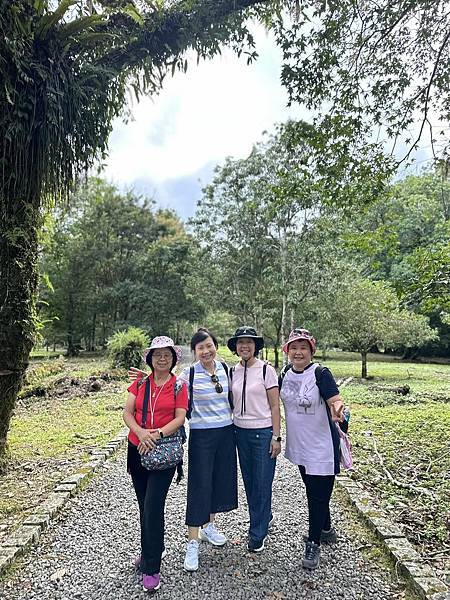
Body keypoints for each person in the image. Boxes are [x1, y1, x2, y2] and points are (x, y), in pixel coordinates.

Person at [123, 336, 188, 592]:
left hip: (163, 453)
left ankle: (152, 566)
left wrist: (156, 434)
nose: (162, 359)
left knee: (153, 506)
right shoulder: (140, 383)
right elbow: (127, 412)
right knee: (143, 506)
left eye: (167, 355)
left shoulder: (179, 386)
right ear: (150, 359)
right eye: (157, 354)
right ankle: (151, 550)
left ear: (173, 359)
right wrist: (141, 433)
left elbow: (180, 418)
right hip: (137, 449)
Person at [279, 328, 345, 570]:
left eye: (303, 347)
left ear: (311, 351)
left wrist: (339, 410)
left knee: (315, 496)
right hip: (300, 445)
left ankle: (314, 542)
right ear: (287, 351)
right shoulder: (285, 373)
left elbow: (335, 400)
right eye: (294, 347)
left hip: (321, 446)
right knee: (313, 489)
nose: (298, 352)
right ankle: (326, 528)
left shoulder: (321, 373)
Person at [179, 328, 238, 572]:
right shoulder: (189, 373)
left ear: (216, 346)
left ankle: (209, 526)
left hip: (226, 433)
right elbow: (169, 390)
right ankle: (193, 541)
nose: (206, 351)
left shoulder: (225, 369)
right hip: (202, 435)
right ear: (194, 352)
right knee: (199, 485)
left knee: (218, 481)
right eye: (200, 347)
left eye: (209, 345)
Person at [227, 326, 281, 553]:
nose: (245, 346)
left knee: (262, 481)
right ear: (236, 347)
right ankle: (264, 515)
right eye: (241, 342)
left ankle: (257, 532)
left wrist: (277, 437)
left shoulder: (267, 370)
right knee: (249, 480)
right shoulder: (232, 371)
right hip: (240, 432)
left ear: (256, 346)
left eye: (249, 342)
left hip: (263, 432)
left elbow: (275, 405)